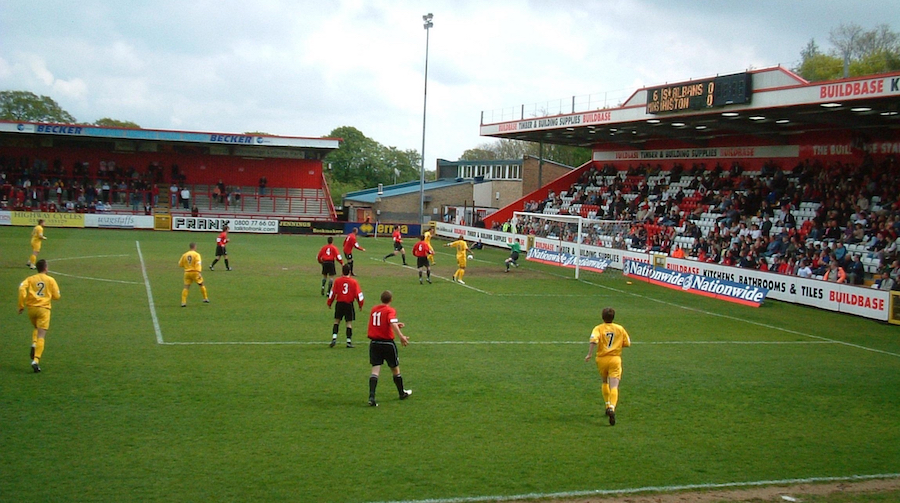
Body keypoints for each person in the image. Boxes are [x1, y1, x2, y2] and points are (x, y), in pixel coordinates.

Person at [584, 307, 631, 426]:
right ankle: (612, 407)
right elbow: (627, 343)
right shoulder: (620, 328)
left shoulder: (598, 328)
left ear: (602, 317)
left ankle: (606, 404)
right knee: (614, 385)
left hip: (601, 359)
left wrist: (589, 354)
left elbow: (593, 340)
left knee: (605, 381)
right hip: (615, 359)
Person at [366, 290, 411, 407]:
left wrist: (396, 324)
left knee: (375, 370)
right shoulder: (390, 310)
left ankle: (371, 397)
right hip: (387, 344)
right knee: (395, 369)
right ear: (391, 300)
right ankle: (402, 393)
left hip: (374, 343)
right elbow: (391, 322)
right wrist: (401, 337)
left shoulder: (374, 309)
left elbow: (381, 323)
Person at [18, 259, 61, 373]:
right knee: (41, 335)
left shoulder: (31, 279)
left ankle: (34, 343)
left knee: (36, 328)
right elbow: (57, 296)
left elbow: (22, 287)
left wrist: (21, 305)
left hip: (31, 309)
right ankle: (36, 361)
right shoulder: (51, 280)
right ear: (45, 268)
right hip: (44, 309)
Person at [327, 264, 364, 348]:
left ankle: (334, 338)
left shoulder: (337, 281)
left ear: (342, 271)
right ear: (350, 272)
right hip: (349, 304)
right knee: (349, 323)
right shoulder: (354, 282)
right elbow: (359, 294)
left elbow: (332, 293)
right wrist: (360, 304)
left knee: (337, 321)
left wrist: (329, 303)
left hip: (339, 303)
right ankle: (348, 341)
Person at [178, 242, 209, 307]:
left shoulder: (184, 255)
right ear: (195, 247)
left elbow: (180, 264)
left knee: (186, 287)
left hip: (187, 273)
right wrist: (199, 272)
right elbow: (198, 263)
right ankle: (205, 298)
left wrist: (187, 266)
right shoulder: (196, 255)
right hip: (195, 272)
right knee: (201, 284)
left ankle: (183, 302)